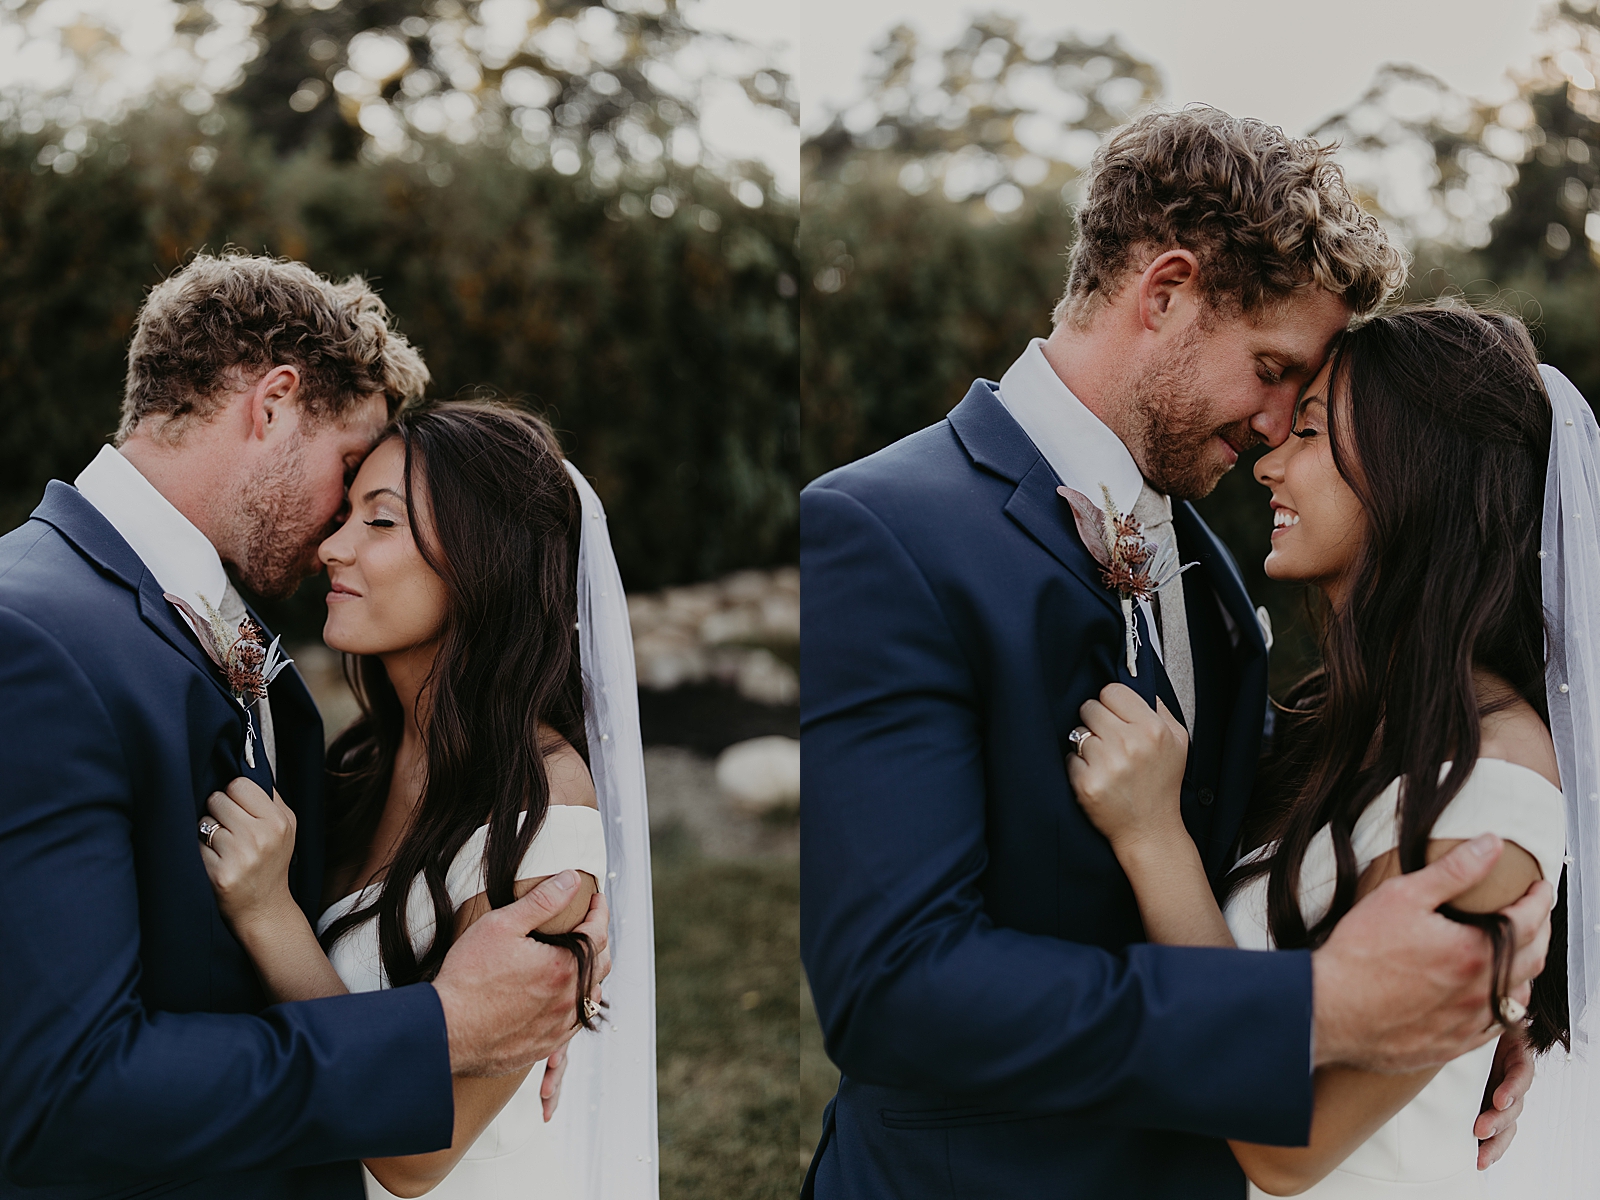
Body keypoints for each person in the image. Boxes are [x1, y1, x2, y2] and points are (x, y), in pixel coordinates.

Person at [799, 108, 1551, 1199]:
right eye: (1272, 368)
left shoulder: (1209, 567)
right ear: (1165, 293)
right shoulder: (883, 531)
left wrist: (1455, 1021)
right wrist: (1329, 1015)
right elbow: (894, 989)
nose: (1277, 426)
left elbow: (1276, 856)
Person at [0, 254, 609, 1199]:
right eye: (348, 470)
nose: (334, 534)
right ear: (274, 404)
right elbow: (63, 1088)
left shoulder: (244, 650)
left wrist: (543, 972)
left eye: (379, 509)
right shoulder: (29, 633)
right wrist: (452, 1029)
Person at [1065, 305, 1567, 1197]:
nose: (1268, 461)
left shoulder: (1491, 794)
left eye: (1309, 431)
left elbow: (1286, 1150)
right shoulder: (1351, 722)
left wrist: (1154, 840)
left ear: (1420, 473)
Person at [196, 401, 659, 1199]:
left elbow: (415, 1159)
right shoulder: (361, 755)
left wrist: (269, 917)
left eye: (380, 523)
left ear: (484, 560)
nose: (332, 547)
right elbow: (228, 638)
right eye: (344, 515)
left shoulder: (541, 812)